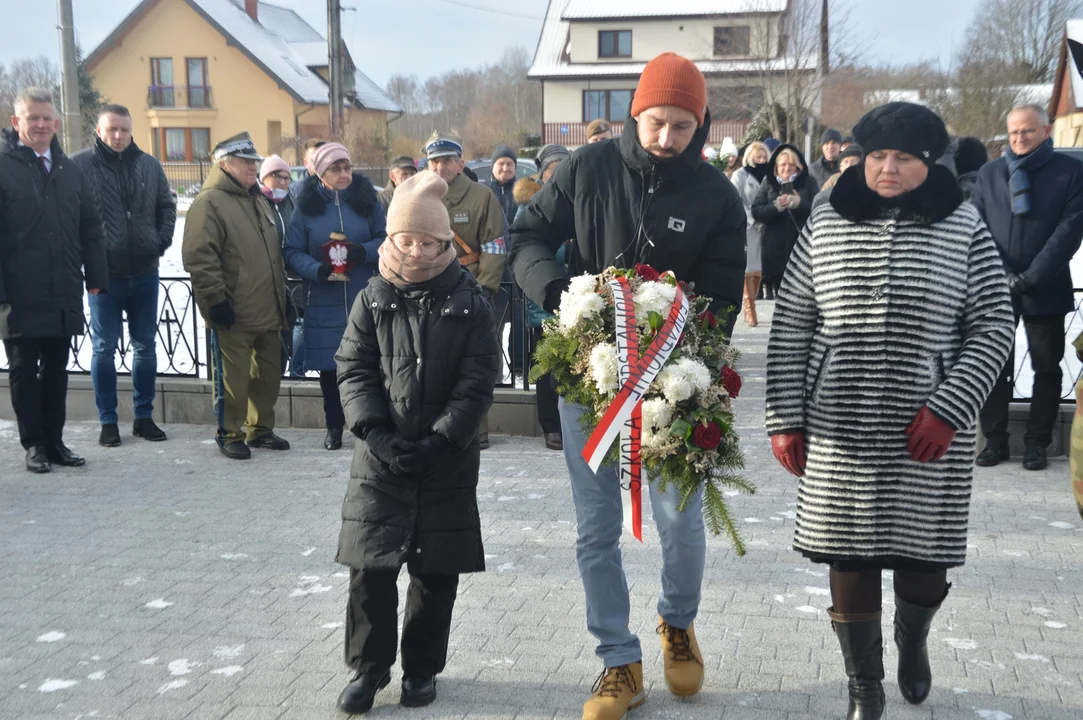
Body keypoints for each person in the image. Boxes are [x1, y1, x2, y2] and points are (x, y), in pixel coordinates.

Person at [509, 52, 746, 720]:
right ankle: (618, 659)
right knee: (595, 527)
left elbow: (723, 294)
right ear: (632, 113)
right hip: (587, 378)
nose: (665, 137)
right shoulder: (584, 169)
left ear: (696, 127)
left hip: (673, 382)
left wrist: (683, 345)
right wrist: (558, 293)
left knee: (676, 518)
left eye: (679, 126)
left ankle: (677, 623)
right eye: (654, 121)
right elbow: (528, 237)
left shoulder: (715, 195)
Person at [765, 101, 1015, 720]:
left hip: (926, 428)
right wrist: (784, 416)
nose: (888, 168)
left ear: (928, 162)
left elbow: (992, 324)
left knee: (922, 559)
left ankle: (914, 637)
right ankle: (863, 686)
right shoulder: (827, 216)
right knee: (848, 553)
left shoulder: (962, 223)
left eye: (904, 158)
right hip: (838, 421)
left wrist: (951, 406)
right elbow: (795, 319)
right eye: (878, 156)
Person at [332, 171, 500, 715]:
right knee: (371, 569)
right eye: (408, 240)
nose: (418, 251)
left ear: (446, 243)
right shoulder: (373, 295)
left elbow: (477, 382)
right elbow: (352, 369)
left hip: (444, 461)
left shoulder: (470, 302)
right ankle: (369, 668)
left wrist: (441, 442)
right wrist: (374, 433)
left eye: (429, 242)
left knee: (434, 571)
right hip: (379, 460)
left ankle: (421, 670)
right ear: (391, 239)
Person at [0, 87, 108, 473]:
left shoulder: (70, 170)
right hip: (19, 292)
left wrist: (96, 275)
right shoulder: (4, 165)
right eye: (33, 118)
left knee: (57, 371)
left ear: (57, 124)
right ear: (17, 122)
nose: (41, 124)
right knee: (24, 371)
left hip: (61, 288)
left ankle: (55, 440)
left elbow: (90, 228)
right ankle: (34, 445)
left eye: (47, 118)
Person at [972, 104, 1083, 471]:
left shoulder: (1070, 172)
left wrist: (1030, 277)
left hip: (1045, 287)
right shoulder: (989, 174)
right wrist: (1000, 273)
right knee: (992, 367)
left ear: (1046, 131)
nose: (1019, 138)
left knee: (1046, 369)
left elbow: (1068, 232)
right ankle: (995, 441)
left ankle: (1037, 443)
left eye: (1028, 131)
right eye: (1014, 132)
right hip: (995, 287)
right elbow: (977, 229)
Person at [183, 131, 290, 460]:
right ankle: (229, 433)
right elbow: (201, 256)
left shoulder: (257, 198)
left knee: (268, 374)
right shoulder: (209, 202)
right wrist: (215, 301)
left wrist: (282, 296)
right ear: (224, 164)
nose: (252, 168)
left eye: (254, 162)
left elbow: (271, 252)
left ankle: (260, 429)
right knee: (233, 380)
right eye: (245, 162)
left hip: (268, 307)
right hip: (234, 310)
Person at [71, 104, 174, 448]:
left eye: (124, 130)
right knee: (103, 348)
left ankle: (143, 417)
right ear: (99, 131)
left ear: (132, 131)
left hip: (145, 271)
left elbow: (166, 206)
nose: (118, 136)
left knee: (145, 346)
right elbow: (70, 215)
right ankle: (108, 420)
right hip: (105, 276)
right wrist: (88, 259)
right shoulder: (80, 165)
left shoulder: (149, 164)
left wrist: (159, 243)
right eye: (112, 129)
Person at [285, 143, 385, 451]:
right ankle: (333, 426)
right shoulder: (306, 208)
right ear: (320, 173)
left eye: (347, 167)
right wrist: (317, 270)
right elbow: (291, 251)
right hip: (324, 298)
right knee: (330, 369)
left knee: (368, 364)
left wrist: (364, 251)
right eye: (335, 169)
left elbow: (387, 238)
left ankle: (369, 425)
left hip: (362, 294)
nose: (344, 174)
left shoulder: (368, 201)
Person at [425, 135, 506, 449]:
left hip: (469, 288)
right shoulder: (419, 195)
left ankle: (476, 428)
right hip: (428, 290)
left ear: (461, 163)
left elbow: (495, 246)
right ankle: (435, 426)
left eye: (447, 160)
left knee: (472, 365)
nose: (441, 166)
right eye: (435, 161)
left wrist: (484, 289)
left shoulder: (480, 196)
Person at [513, 143, 570, 451]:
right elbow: (531, 250)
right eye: (553, 169)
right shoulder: (532, 205)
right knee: (546, 366)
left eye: (564, 167)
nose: (558, 173)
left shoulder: (581, 200)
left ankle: (574, 422)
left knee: (574, 364)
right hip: (545, 299)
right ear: (543, 173)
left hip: (579, 298)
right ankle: (551, 426)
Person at [752, 144, 818, 299]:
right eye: (782, 164)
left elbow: (818, 208)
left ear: (797, 167)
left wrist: (799, 204)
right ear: (776, 167)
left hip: (801, 247)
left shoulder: (808, 182)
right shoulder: (769, 183)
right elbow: (756, 211)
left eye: (791, 164)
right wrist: (775, 208)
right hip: (774, 249)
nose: (786, 168)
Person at [258, 154, 300, 375]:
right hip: (263, 284)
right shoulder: (256, 201)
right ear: (264, 177)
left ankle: (280, 382)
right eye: (277, 176)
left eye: (286, 177)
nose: (283, 182)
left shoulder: (291, 204)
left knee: (286, 339)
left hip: (289, 283)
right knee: (265, 342)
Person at [730, 141, 770, 327]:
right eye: (758, 156)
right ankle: (749, 307)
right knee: (749, 268)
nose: (761, 159)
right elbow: (736, 200)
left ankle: (752, 303)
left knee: (760, 269)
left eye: (764, 156)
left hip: (767, 226)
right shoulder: (740, 175)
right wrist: (753, 219)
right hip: (748, 226)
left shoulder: (771, 175)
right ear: (750, 156)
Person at [812, 142, 864, 209]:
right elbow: (820, 199)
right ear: (840, 167)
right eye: (846, 162)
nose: (849, 165)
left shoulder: (869, 182)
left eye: (854, 161)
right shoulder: (834, 179)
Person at [487, 145, 519, 226]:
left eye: (509, 164)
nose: (505, 169)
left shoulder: (523, 192)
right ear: (492, 168)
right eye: (501, 164)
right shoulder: (484, 191)